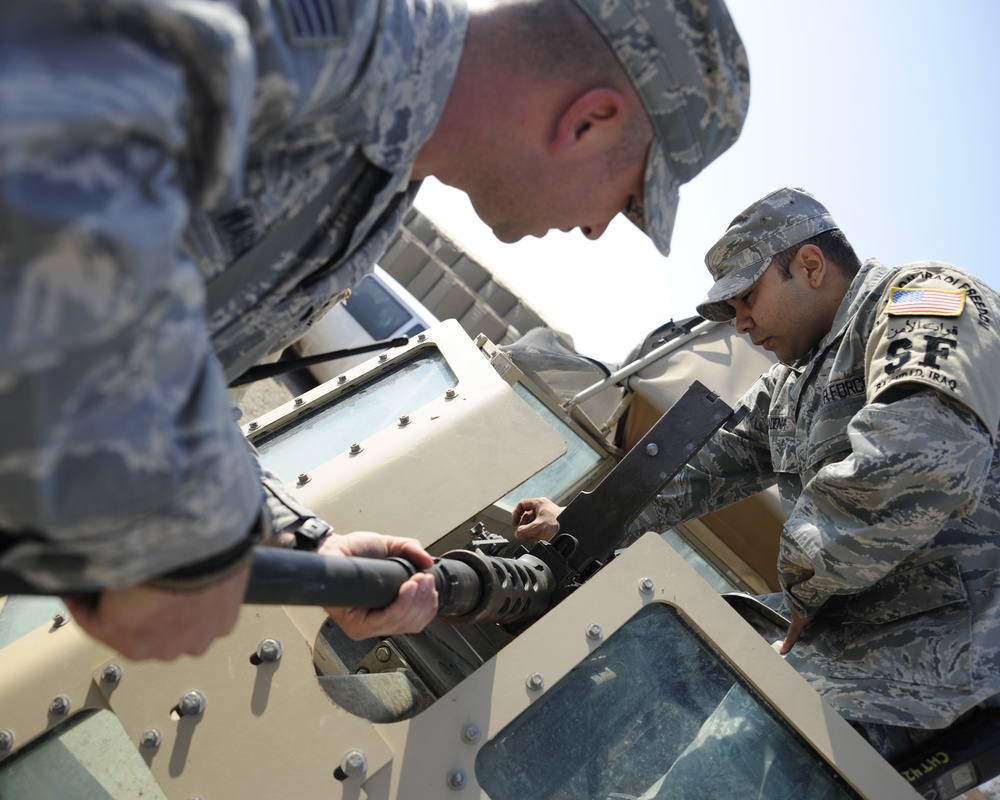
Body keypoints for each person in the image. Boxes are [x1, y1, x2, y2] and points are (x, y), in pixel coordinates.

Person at [0, 0, 750, 660]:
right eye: (624, 201)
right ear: (587, 120)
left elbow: (158, 368)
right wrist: (195, 534)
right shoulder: (319, 34)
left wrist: (296, 541)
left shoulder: (378, 190)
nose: (593, 230)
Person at [514, 186, 1000, 760]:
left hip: (934, 658)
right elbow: (699, 471)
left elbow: (920, 461)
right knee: (642, 669)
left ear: (811, 265)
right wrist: (581, 520)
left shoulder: (925, 302)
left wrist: (804, 578)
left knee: (717, 767)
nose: (741, 325)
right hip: (848, 634)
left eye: (747, 299)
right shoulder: (789, 385)